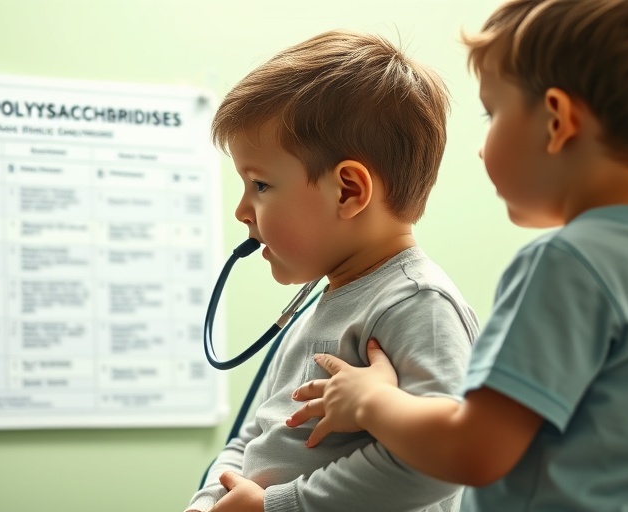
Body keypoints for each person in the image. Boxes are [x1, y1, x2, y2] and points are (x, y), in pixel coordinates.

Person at [288, 1, 628, 510]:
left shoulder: (567, 264)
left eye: (493, 111)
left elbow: (473, 449)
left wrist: (371, 402)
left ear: (557, 121)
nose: (481, 148)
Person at [185, 29, 479, 512]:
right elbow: (255, 435)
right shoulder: (316, 307)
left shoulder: (417, 304)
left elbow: (440, 463)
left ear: (347, 191)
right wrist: (206, 504)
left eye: (259, 184)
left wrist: (282, 506)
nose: (242, 210)